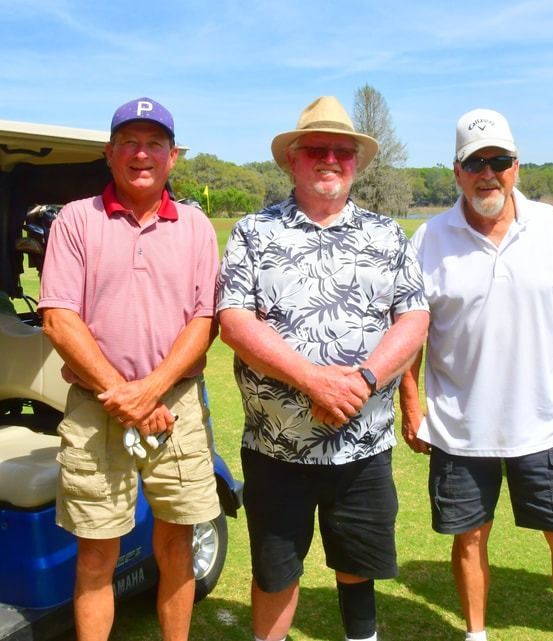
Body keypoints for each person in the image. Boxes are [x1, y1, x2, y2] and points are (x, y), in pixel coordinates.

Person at [216, 96, 429, 641]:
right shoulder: (253, 232)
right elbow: (235, 322)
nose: (330, 159)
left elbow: (414, 318)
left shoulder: (386, 235)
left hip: (362, 447)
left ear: (356, 162)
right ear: (293, 159)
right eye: (316, 149)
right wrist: (312, 381)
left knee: (358, 565)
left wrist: (359, 383)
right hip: (276, 448)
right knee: (275, 571)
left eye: (343, 150)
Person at [399, 108, 553, 641]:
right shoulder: (430, 237)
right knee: (468, 538)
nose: (487, 173)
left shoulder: (552, 226)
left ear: (517, 166)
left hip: (544, 423)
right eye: (476, 162)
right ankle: (476, 633)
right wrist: (411, 404)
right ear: (456, 171)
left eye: (500, 160)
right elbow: (410, 332)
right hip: (459, 427)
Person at [38, 97, 221, 641]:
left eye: (154, 144)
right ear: (110, 153)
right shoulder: (76, 219)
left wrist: (154, 390)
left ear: (173, 156)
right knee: (96, 553)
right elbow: (58, 317)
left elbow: (204, 319)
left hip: (177, 408)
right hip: (99, 408)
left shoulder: (195, 226)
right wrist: (125, 394)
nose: (142, 154)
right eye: (130, 143)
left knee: (177, 545)